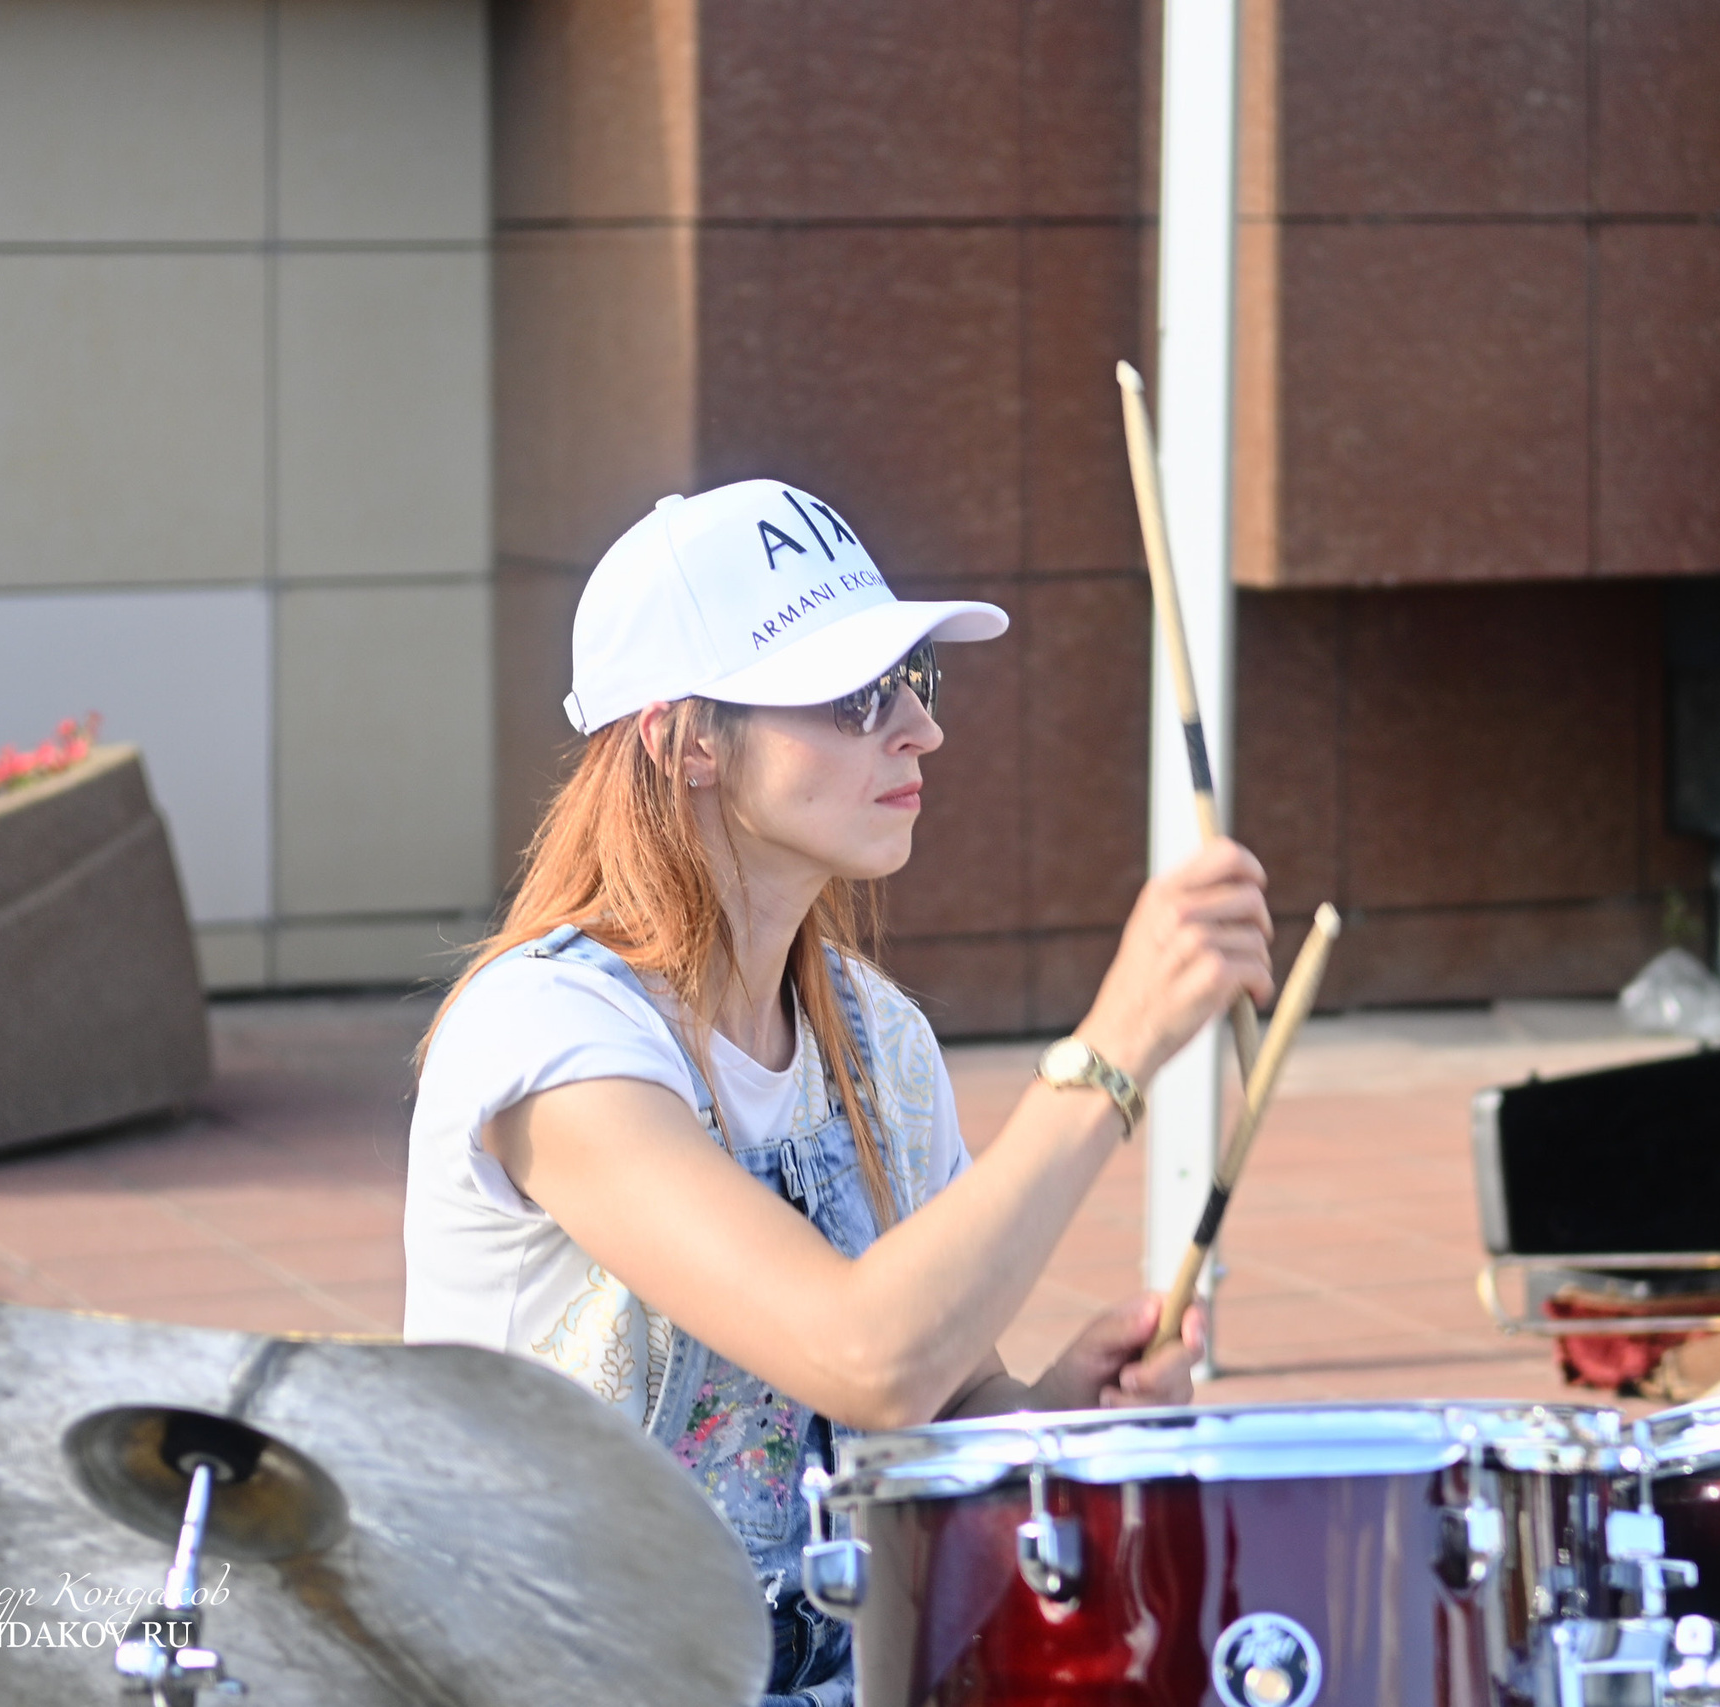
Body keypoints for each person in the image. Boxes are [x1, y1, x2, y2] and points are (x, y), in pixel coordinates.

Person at [403, 479, 1273, 1704]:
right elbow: (866, 1356)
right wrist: (1112, 1050)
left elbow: (936, 1406)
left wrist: (1064, 1404)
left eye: (917, 683)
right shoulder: (550, 1035)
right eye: (858, 696)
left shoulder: (876, 1039)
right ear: (686, 740)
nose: (918, 732)